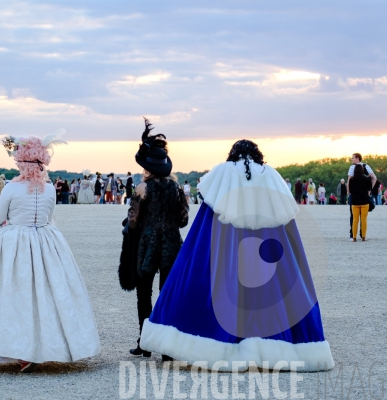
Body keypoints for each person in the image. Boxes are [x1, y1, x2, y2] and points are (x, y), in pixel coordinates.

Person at [139, 139, 334, 371]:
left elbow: (206, 220)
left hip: (227, 247)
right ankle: (286, 350)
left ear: (233, 154)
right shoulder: (270, 175)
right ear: (257, 154)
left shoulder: (223, 173)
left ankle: (205, 345)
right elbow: (284, 223)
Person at [0, 133, 100, 372]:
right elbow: (48, 219)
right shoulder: (50, 189)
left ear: (20, 163)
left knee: (14, 293)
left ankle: (21, 349)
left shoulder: (11, 188)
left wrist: (6, 222)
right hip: (46, 241)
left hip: (15, 242)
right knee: (49, 294)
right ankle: (48, 345)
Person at [120, 117, 189, 360]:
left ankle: (145, 343)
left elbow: (134, 220)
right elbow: (183, 221)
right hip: (171, 244)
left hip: (147, 245)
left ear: (147, 167)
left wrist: (130, 222)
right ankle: (167, 348)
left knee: (144, 294)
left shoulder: (142, 189)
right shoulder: (177, 189)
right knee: (167, 294)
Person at [349, 164, 372, 242]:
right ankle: (363, 236)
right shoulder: (366, 179)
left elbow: (350, 191)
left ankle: (354, 237)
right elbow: (369, 190)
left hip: (355, 202)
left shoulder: (351, 180)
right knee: (364, 219)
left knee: (355, 220)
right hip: (364, 201)